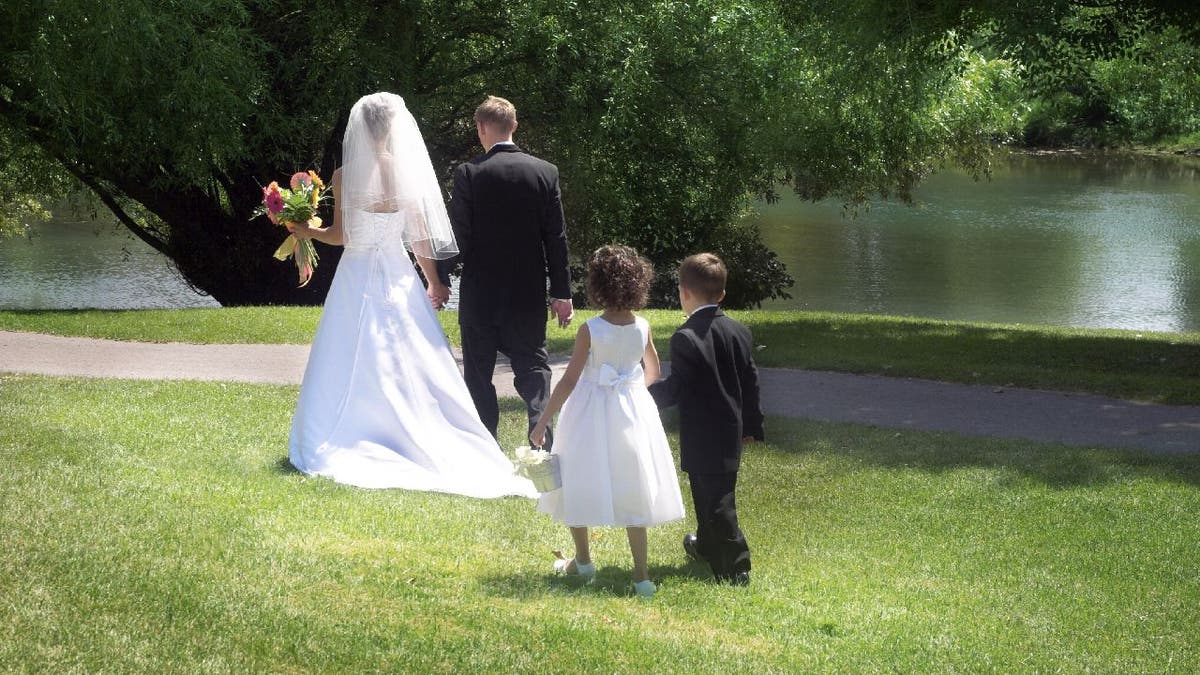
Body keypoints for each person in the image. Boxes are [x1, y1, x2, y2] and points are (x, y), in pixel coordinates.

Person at [287, 91, 535, 498]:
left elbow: (342, 235)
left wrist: (305, 231)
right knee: (408, 352)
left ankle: (356, 426)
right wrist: (433, 281)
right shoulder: (407, 172)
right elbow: (419, 238)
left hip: (357, 271)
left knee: (352, 348)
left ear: (361, 129)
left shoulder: (344, 175)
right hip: (398, 272)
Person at [530, 245, 685, 598]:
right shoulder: (642, 327)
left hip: (588, 412)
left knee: (577, 475)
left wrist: (542, 422)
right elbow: (654, 370)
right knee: (633, 480)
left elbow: (570, 379)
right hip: (631, 411)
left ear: (597, 284)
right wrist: (629, 390)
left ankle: (583, 561)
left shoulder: (591, 329)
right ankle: (642, 576)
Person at [437, 95, 572, 448]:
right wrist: (562, 292)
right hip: (527, 293)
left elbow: (459, 236)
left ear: (481, 128)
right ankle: (540, 439)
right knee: (533, 368)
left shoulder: (469, 173)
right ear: (514, 126)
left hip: (481, 292)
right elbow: (555, 238)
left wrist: (438, 278)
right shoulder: (545, 172)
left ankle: (487, 447)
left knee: (479, 373)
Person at [648, 253, 764, 586]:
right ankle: (707, 546)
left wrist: (643, 396)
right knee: (709, 493)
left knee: (718, 501)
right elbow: (751, 382)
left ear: (684, 293)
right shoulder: (739, 331)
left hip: (702, 433)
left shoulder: (686, 337)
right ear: (722, 295)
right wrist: (753, 425)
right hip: (729, 430)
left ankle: (736, 564)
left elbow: (678, 387)